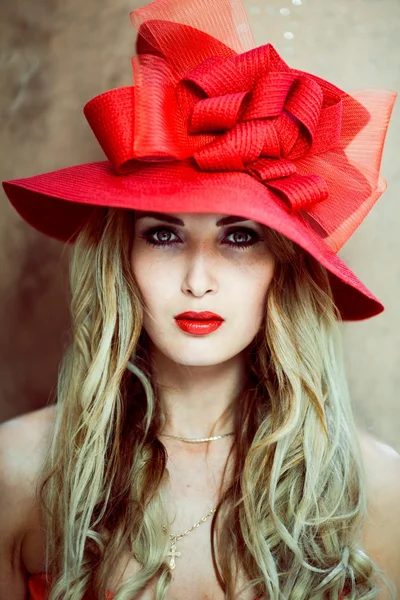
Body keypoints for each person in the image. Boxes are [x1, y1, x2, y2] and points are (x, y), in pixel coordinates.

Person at [0, 0, 399, 598]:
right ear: (122, 260)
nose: (197, 279)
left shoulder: (375, 488)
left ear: (282, 271)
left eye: (240, 237)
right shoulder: (19, 470)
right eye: (163, 235)